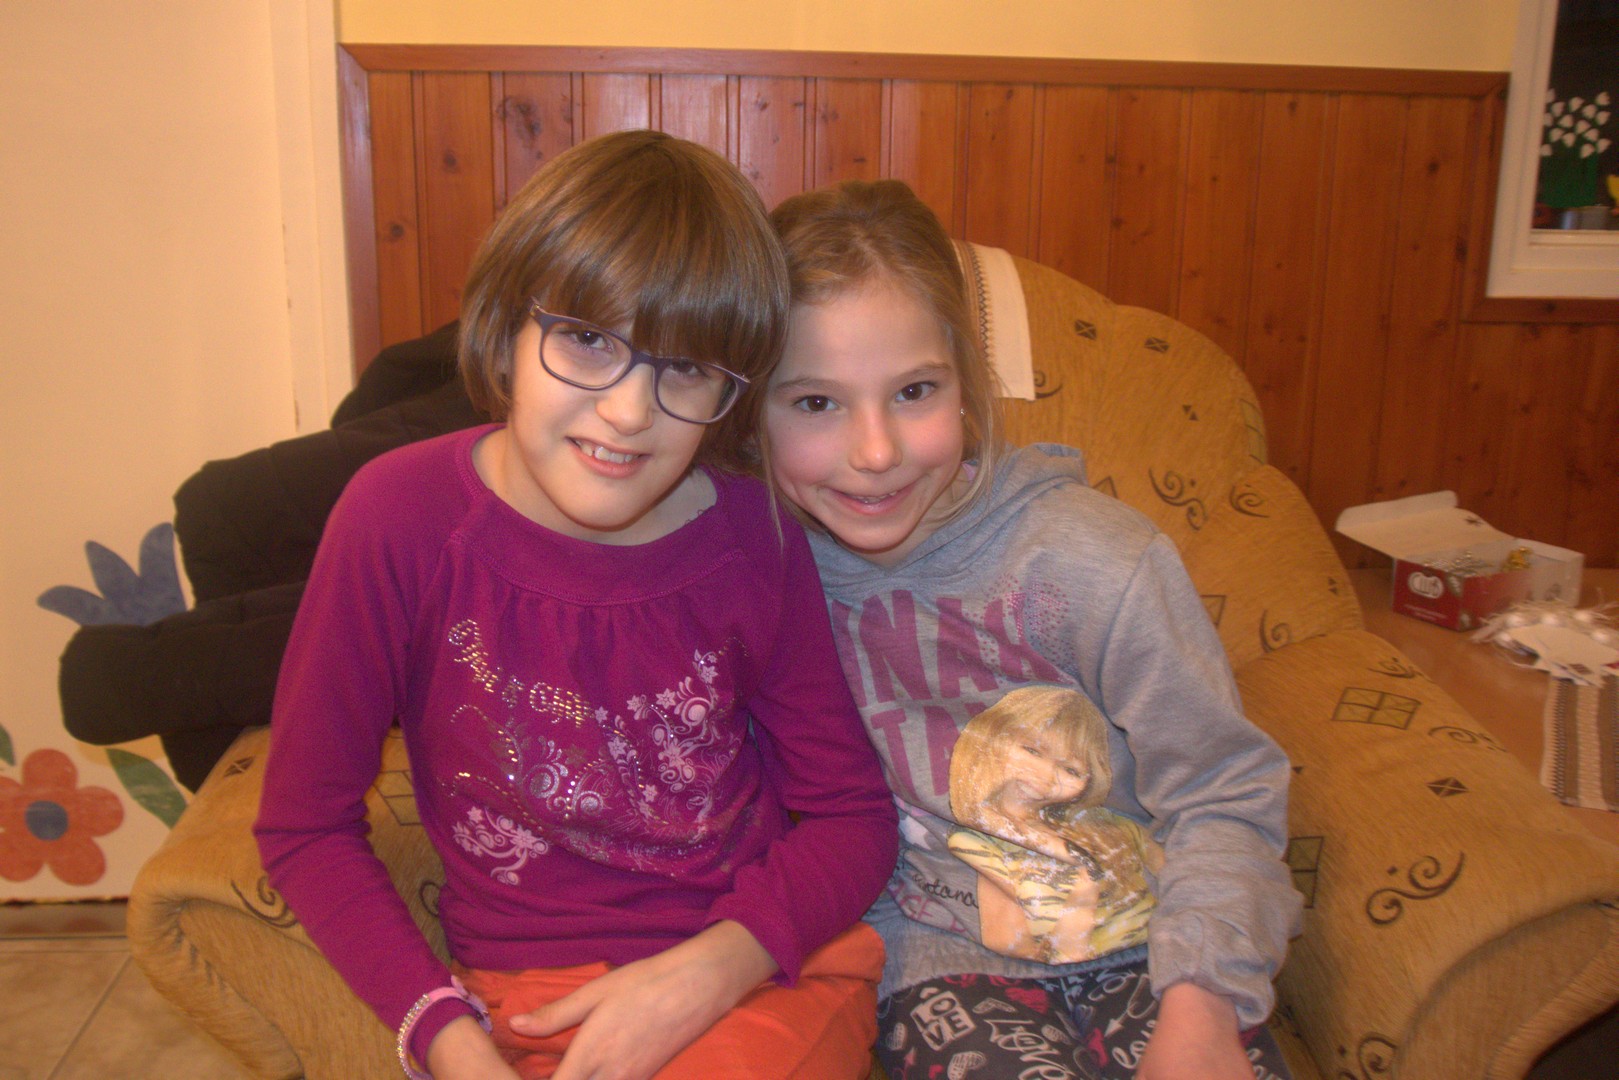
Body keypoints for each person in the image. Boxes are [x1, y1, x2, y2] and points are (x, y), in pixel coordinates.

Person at [253, 131, 898, 1080]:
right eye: (589, 340)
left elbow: (852, 817)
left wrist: (712, 970)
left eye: (686, 368)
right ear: (507, 328)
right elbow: (303, 827)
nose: (629, 413)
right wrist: (444, 1035)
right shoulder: (397, 517)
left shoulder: (755, 536)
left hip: (747, 976)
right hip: (521, 994)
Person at [758, 178, 1302, 1080]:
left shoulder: (1096, 561)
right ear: (753, 412)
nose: (875, 452)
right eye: (815, 403)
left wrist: (1203, 1002)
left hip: (1162, 953)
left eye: (914, 391)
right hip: (937, 966)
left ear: (968, 385)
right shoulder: (760, 581)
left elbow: (1222, 791)